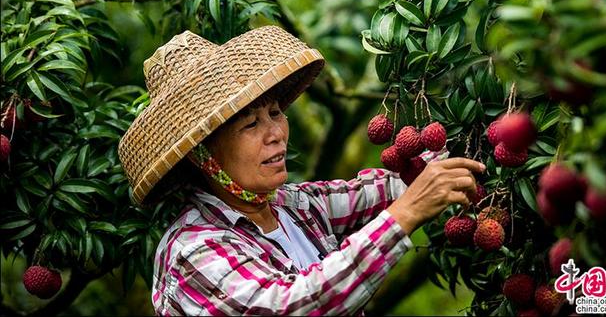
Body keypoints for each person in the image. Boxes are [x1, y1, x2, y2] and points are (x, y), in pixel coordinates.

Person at [118, 25, 484, 316]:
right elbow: (289, 305)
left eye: (275, 113)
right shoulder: (192, 251)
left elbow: (400, 185)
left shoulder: (296, 207)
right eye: (250, 125)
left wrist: (485, 134)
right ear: (202, 154)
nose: (276, 133)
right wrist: (405, 215)